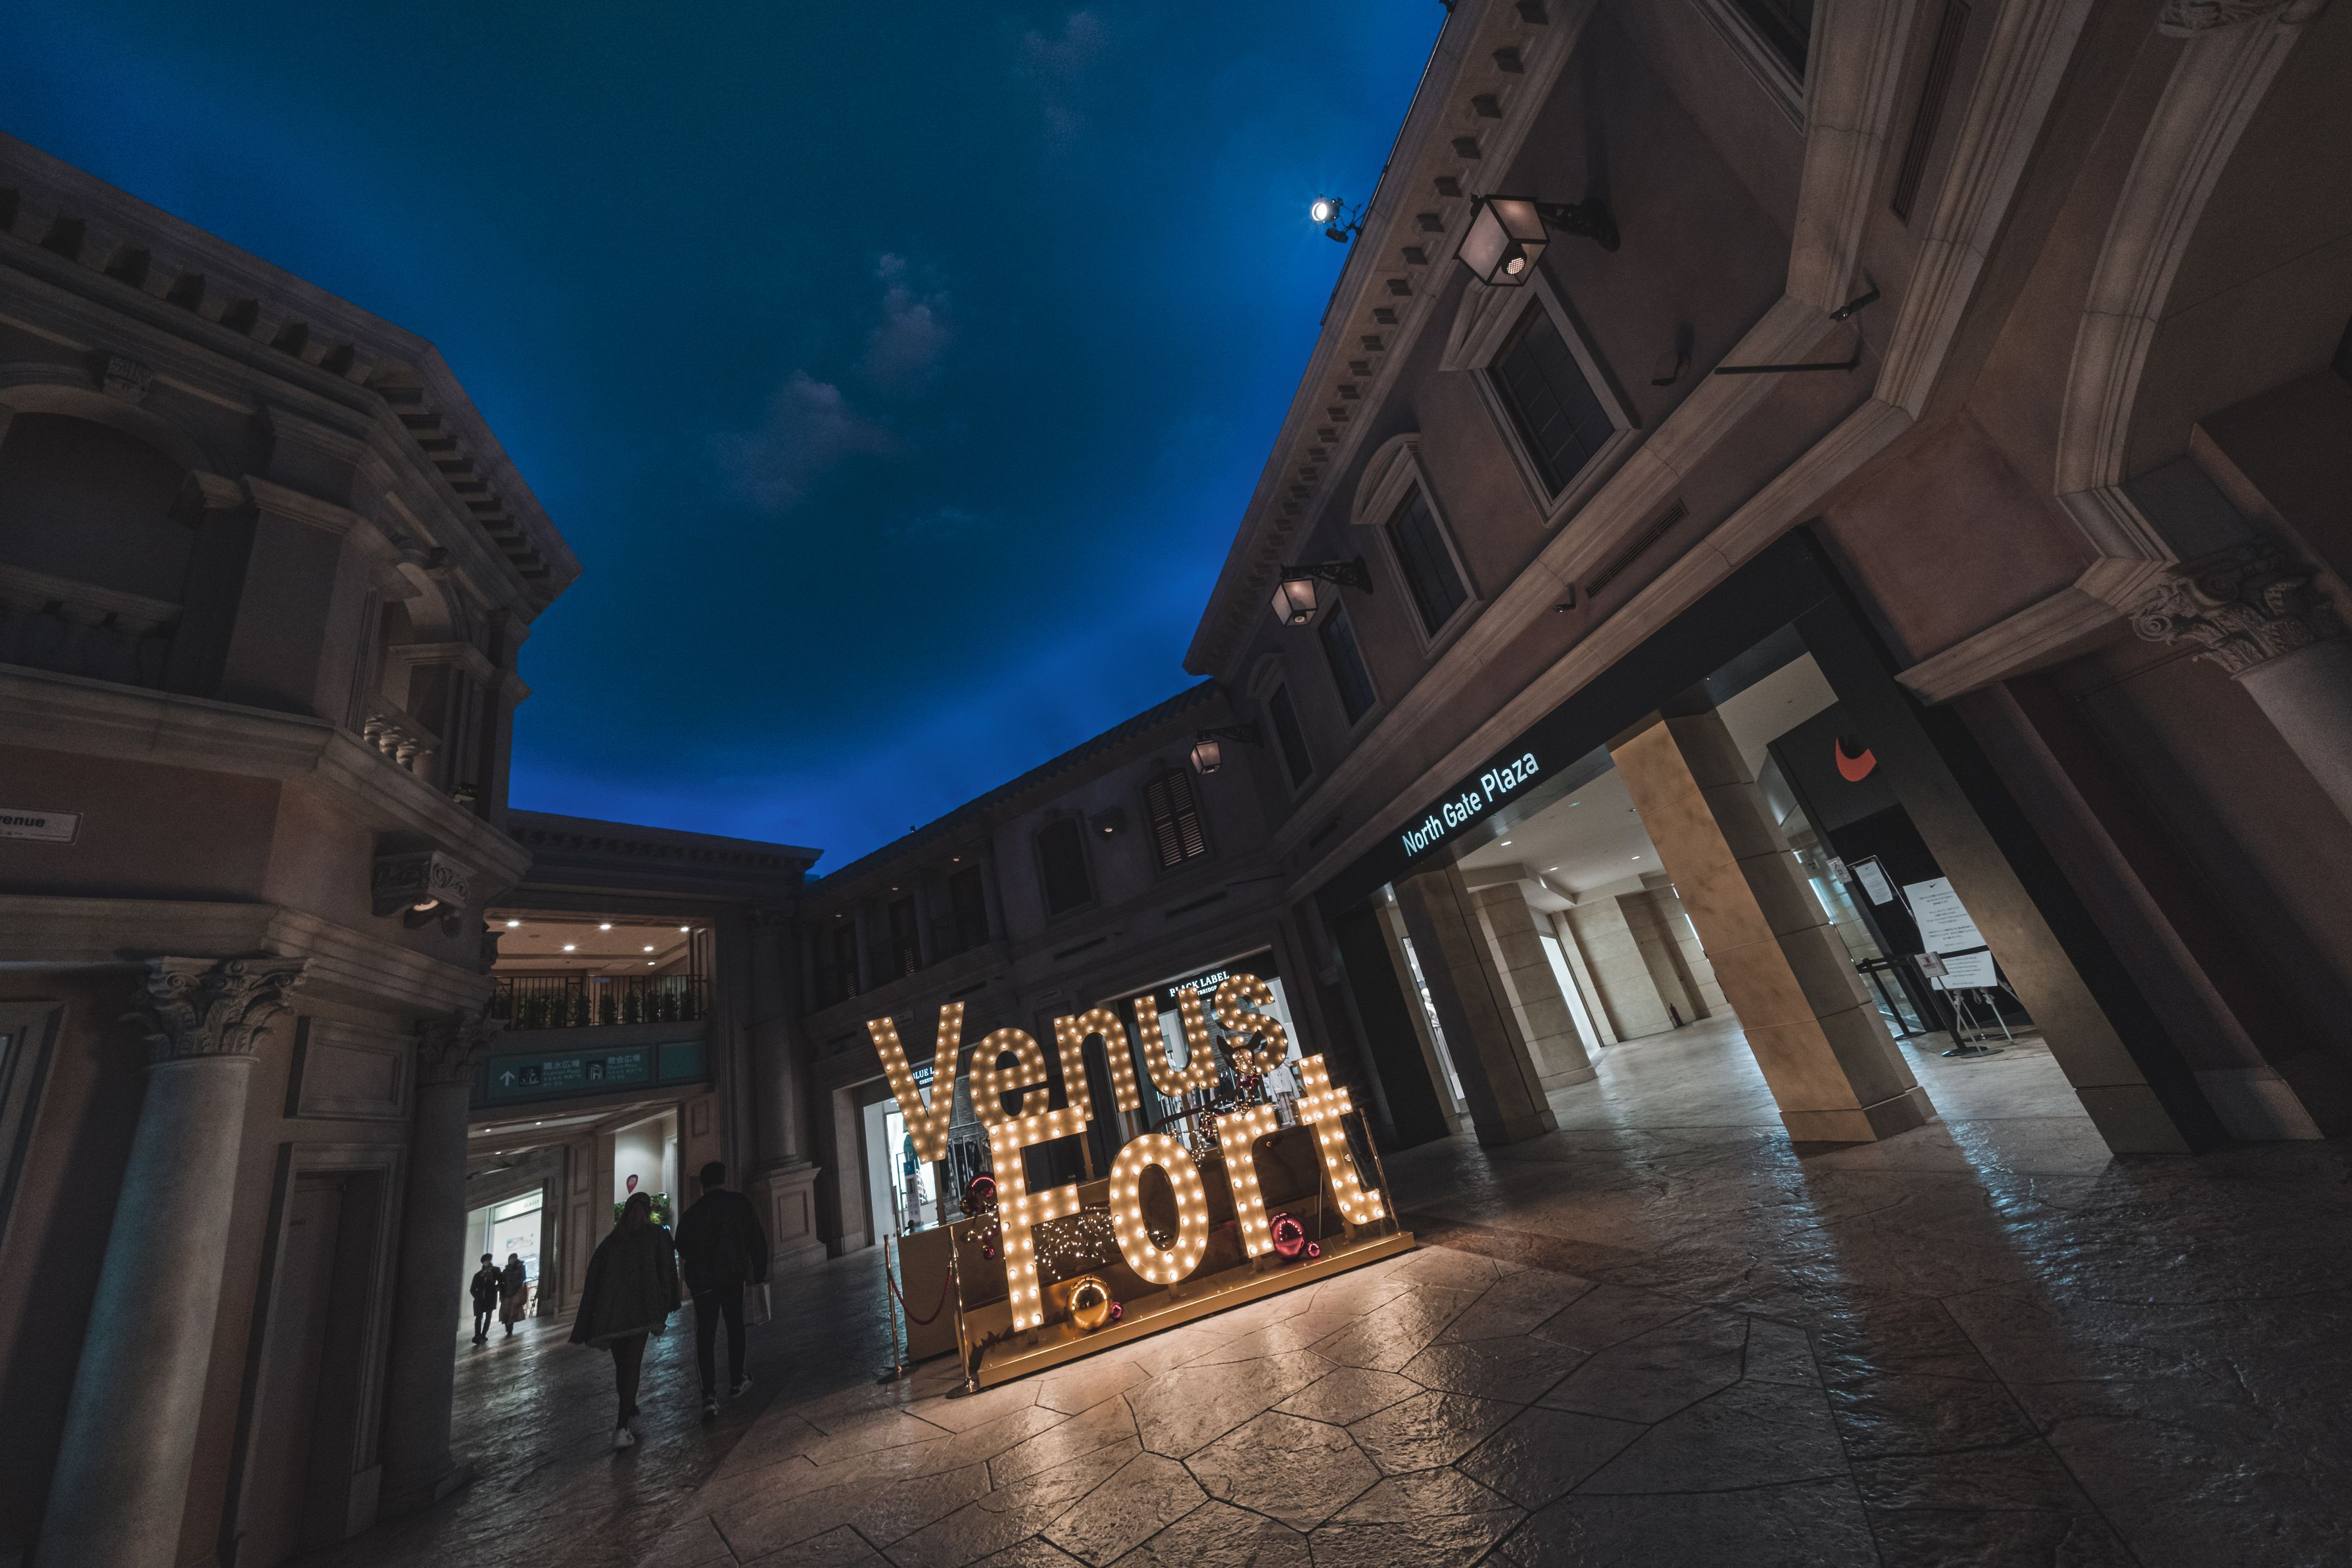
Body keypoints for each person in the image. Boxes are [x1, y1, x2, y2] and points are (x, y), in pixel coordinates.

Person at [570, 1192, 677, 1450]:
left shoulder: (610, 1242)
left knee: (623, 1368)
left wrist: (590, 1320)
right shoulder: (655, 1235)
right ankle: (621, 1427)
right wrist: (667, 1303)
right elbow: (667, 1271)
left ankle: (630, 1410)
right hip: (641, 1311)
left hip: (611, 1316)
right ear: (648, 1210)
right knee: (633, 1367)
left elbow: (593, 1281)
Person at [671, 1160, 769, 1419]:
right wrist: (759, 1271)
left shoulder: (692, 1213)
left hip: (703, 1283)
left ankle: (708, 1397)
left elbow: (681, 1246)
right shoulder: (738, 1204)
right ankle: (736, 1382)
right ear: (724, 1179)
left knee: (705, 1336)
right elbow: (756, 1238)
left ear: (702, 1185)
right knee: (735, 1327)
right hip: (732, 1277)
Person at [468, 1254, 499, 1344]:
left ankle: (483, 1335)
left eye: (489, 1260)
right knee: (479, 1317)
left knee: (488, 1317)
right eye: (486, 1261)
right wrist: (477, 1297)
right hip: (480, 1299)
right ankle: (477, 1335)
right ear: (483, 1262)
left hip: (490, 1298)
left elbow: (501, 1282)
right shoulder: (478, 1275)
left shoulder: (495, 1270)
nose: (488, 1262)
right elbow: (472, 1289)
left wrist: (496, 1289)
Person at [498, 1252, 529, 1335]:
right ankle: (508, 1327)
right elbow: (502, 1281)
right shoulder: (506, 1271)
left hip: (515, 1292)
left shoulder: (520, 1268)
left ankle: (509, 1328)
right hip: (507, 1293)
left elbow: (523, 1278)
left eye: (513, 1259)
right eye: (511, 1259)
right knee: (506, 1312)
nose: (512, 1260)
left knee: (512, 1311)